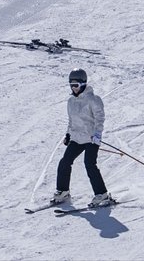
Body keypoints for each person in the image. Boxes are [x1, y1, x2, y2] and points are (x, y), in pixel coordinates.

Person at [50, 68, 113, 207]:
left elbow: (100, 119)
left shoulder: (93, 99)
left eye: (76, 85)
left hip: (91, 138)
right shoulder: (71, 101)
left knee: (89, 164)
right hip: (77, 138)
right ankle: (63, 191)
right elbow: (71, 120)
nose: (74, 88)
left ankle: (102, 194)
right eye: (71, 85)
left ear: (83, 84)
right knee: (65, 162)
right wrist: (68, 134)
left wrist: (97, 135)